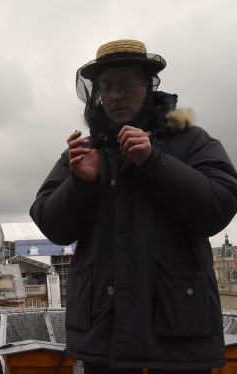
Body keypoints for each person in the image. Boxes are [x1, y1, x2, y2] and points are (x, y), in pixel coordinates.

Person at [30, 39, 237, 373]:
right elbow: (50, 223)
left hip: (177, 338)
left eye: (125, 84)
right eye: (106, 86)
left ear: (147, 86)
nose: (114, 95)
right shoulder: (87, 150)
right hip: (104, 339)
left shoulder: (190, 140)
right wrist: (81, 183)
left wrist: (154, 162)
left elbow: (219, 206)